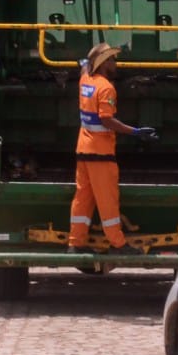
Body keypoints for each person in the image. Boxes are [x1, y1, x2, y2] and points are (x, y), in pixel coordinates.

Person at [69, 42, 157, 254]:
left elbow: (83, 67)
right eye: (111, 60)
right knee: (107, 200)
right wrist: (135, 132)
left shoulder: (85, 80)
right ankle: (118, 244)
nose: (115, 64)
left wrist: (84, 63)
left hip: (83, 150)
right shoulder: (106, 88)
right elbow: (107, 120)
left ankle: (75, 243)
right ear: (103, 63)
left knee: (82, 198)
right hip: (100, 153)